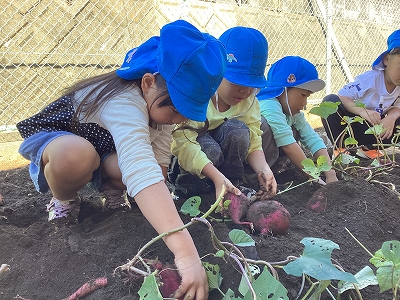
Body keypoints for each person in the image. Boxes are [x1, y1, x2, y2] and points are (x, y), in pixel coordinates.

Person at [16, 20, 227, 300]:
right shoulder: (124, 101)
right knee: (77, 156)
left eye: (187, 113)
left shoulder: (161, 108)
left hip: (101, 152)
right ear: (148, 82)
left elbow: (157, 166)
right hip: (60, 143)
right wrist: (186, 252)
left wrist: (158, 203)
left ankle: (112, 192)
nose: (179, 119)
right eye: (177, 108)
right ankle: (64, 199)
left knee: (137, 165)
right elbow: (138, 166)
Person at [170, 26, 277, 201]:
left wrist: (263, 168)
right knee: (211, 150)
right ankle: (189, 190)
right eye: (238, 82)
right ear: (217, 71)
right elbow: (183, 143)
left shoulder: (250, 102)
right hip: (193, 156)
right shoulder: (199, 95)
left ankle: (233, 188)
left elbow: (253, 140)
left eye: (252, 84)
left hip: (223, 161)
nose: (245, 91)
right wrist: (215, 175)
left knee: (239, 131)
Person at [258, 56, 338, 184]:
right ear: (283, 89)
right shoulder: (268, 104)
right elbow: (288, 144)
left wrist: (330, 174)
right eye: (303, 95)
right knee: (265, 126)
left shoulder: (292, 112)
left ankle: (272, 174)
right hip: (248, 165)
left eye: (308, 96)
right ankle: (251, 179)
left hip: (267, 165)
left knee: (295, 129)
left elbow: (312, 138)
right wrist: (314, 176)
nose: (305, 103)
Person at [322, 29, 400, 159]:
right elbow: (342, 97)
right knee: (330, 101)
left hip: (374, 129)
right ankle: (342, 149)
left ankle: (369, 148)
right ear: (387, 60)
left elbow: (398, 107)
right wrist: (363, 111)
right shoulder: (370, 79)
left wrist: (391, 117)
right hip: (352, 126)